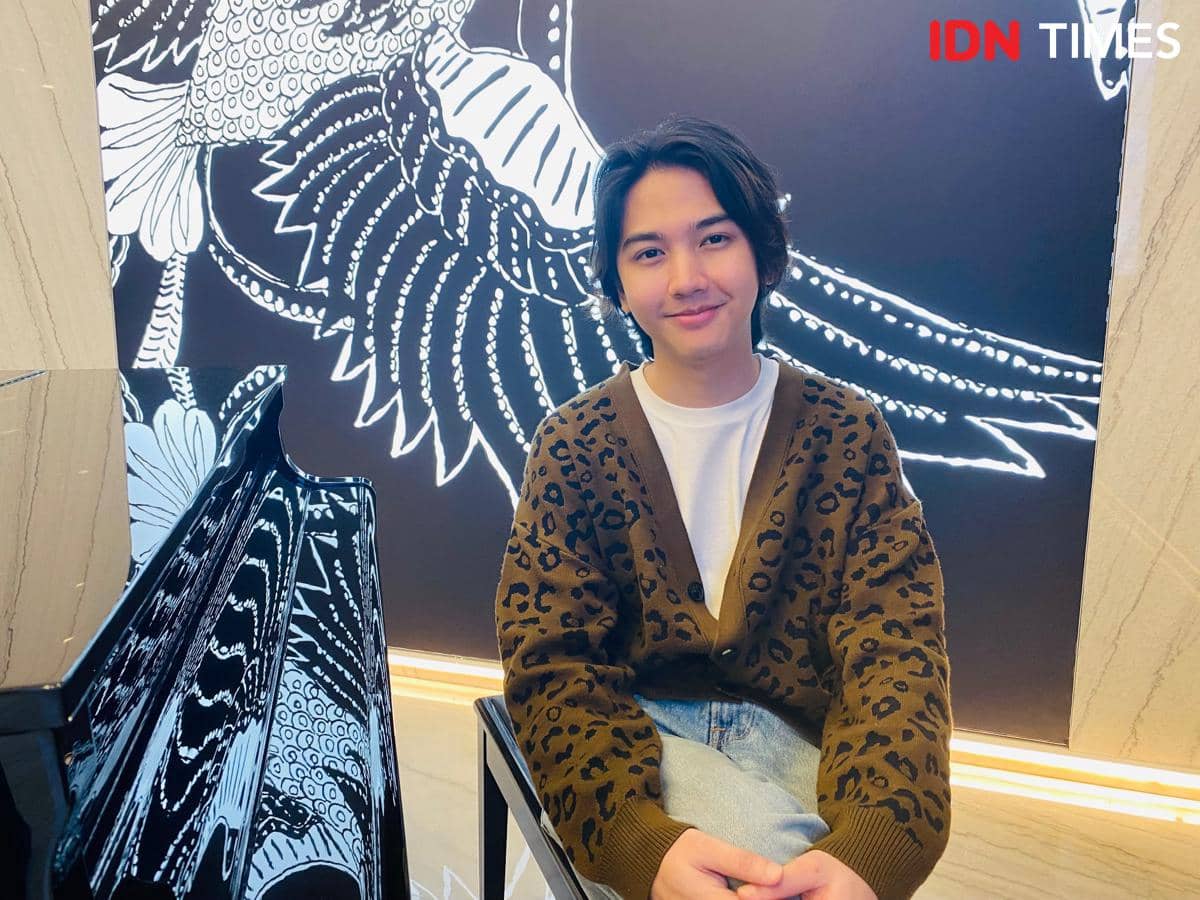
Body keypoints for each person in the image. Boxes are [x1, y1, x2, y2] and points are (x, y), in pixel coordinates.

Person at [494, 116, 951, 900]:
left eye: (714, 239)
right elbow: (555, 662)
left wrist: (875, 848)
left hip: (804, 734)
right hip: (637, 732)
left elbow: (896, 647)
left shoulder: (845, 431)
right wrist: (635, 842)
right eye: (648, 252)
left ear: (763, 254)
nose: (686, 278)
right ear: (617, 283)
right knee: (763, 862)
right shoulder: (574, 444)